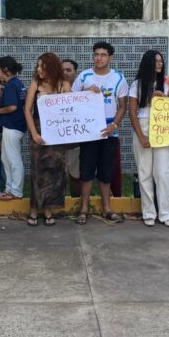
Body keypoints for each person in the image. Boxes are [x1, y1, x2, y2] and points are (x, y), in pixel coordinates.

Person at [72, 41, 128, 224]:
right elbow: (71, 100)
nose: (99, 58)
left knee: (106, 172)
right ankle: (84, 209)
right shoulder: (84, 77)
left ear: (110, 57)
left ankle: (107, 208)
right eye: (96, 54)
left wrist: (114, 125)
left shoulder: (118, 78)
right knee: (86, 171)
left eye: (103, 55)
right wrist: (86, 92)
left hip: (109, 132)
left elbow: (123, 106)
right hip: (89, 132)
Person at [128, 50, 169, 227]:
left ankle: (165, 213)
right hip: (144, 125)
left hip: (163, 126)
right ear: (147, 63)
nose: (159, 64)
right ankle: (148, 212)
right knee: (144, 172)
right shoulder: (137, 84)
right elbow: (132, 112)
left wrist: (165, 98)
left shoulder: (168, 82)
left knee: (163, 173)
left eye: (161, 61)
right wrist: (141, 136)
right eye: (156, 61)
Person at [24, 53, 72, 225]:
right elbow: (27, 110)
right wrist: (34, 134)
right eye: (37, 66)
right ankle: (34, 210)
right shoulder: (35, 84)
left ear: (51, 67)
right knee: (37, 172)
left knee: (55, 172)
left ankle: (49, 210)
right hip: (38, 131)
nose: (38, 69)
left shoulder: (64, 85)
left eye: (42, 66)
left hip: (57, 133)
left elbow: (71, 107)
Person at [0, 56, 26, 200]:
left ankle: (15, 191)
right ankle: (9, 189)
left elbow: (12, 107)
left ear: (5, 69)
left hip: (12, 126)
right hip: (15, 126)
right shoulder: (17, 83)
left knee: (13, 159)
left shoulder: (10, 85)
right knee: (6, 158)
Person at [62, 58, 82, 198]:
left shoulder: (83, 91)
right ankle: (58, 205)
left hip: (76, 143)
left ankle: (75, 204)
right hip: (57, 144)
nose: (65, 73)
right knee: (58, 178)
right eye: (62, 70)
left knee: (76, 177)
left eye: (68, 70)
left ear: (75, 72)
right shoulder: (52, 91)